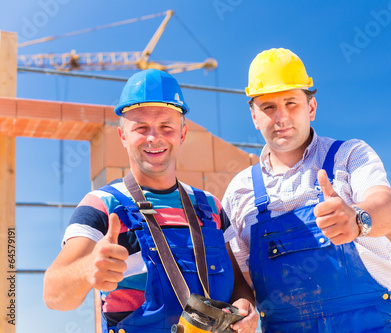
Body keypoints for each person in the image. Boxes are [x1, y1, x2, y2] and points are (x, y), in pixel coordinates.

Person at [43, 69, 258, 333]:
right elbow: (53, 294)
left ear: (182, 134)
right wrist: (88, 268)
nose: (153, 138)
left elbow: (239, 286)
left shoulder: (211, 207)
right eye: (141, 128)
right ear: (123, 137)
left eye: (166, 127)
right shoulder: (103, 205)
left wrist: (246, 307)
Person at [222, 48, 391, 332]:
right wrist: (243, 305)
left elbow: (388, 206)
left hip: (366, 324)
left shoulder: (349, 155)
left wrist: (358, 220)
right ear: (254, 117)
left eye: (291, 103)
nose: (281, 117)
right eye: (268, 107)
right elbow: (240, 280)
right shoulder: (239, 191)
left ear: (311, 108)